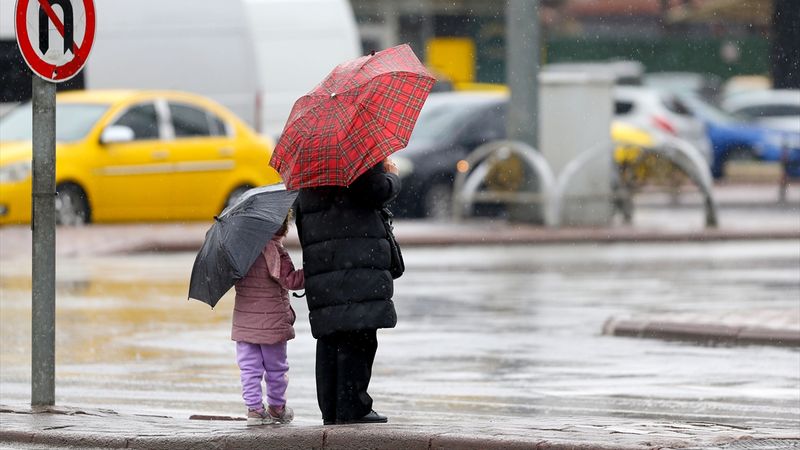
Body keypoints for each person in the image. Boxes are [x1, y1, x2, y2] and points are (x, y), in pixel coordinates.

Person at [294, 158, 401, 425]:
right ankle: (353, 406)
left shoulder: (310, 163)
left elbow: (301, 215)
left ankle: (331, 408)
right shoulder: (357, 155)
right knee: (360, 333)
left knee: (331, 335)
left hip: (324, 261)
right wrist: (392, 177)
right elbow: (373, 190)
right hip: (358, 257)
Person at [232, 212, 304, 426]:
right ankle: (277, 407)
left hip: (245, 324)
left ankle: (254, 410)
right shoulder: (276, 252)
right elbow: (290, 281)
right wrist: (311, 274)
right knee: (276, 368)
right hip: (272, 324)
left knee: (249, 368)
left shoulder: (240, 253)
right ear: (282, 229)